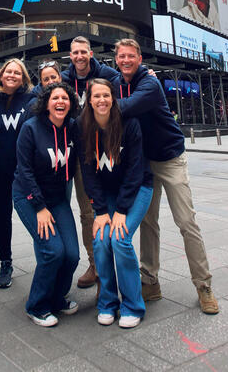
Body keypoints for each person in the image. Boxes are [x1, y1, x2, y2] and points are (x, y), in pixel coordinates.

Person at [113, 38, 219, 314]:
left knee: (186, 221)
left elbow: (125, 107)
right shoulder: (116, 82)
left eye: (130, 56)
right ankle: (150, 281)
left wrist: (98, 105)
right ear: (116, 59)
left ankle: (204, 285)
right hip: (144, 162)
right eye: (121, 56)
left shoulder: (150, 83)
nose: (125, 60)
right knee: (148, 222)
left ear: (139, 58)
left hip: (170, 157)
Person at [79, 79, 153, 328]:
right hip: (107, 194)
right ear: (89, 100)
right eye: (96, 96)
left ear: (114, 98)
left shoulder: (129, 124)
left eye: (106, 95)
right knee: (100, 240)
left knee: (120, 238)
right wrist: (100, 211)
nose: (102, 100)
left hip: (137, 189)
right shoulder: (83, 127)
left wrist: (121, 210)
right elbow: (88, 173)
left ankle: (133, 305)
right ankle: (107, 303)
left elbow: (135, 170)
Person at [13, 83, 80, 327]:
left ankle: (56, 297)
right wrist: (39, 208)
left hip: (57, 198)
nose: (60, 102)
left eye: (65, 98)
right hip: (29, 197)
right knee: (53, 251)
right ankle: (37, 305)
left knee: (72, 254)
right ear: (46, 103)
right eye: (55, 98)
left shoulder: (73, 128)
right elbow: (24, 170)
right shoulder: (31, 128)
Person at [61, 36, 118, 288]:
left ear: (91, 53)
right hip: (81, 154)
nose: (79, 56)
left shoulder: (107, 74)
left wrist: (145, 74)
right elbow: (44, 99)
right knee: (88, 213)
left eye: (83, 52)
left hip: (107, 150)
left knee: (111, 210)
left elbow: (127, 91)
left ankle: (113, 264)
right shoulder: (64, 79)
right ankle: (95, 265)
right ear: (70, 55)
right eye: (75, 53)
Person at [0, 58, 34, 289]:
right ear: (1, 75)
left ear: (23, 78)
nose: (12, 75)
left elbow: (55, 87)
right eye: (8, 71)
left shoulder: (31, 99)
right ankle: (6, 263)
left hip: (24, 172)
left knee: (37, 214)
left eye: (17, 72)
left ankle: (48, 259)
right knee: (2, 215)